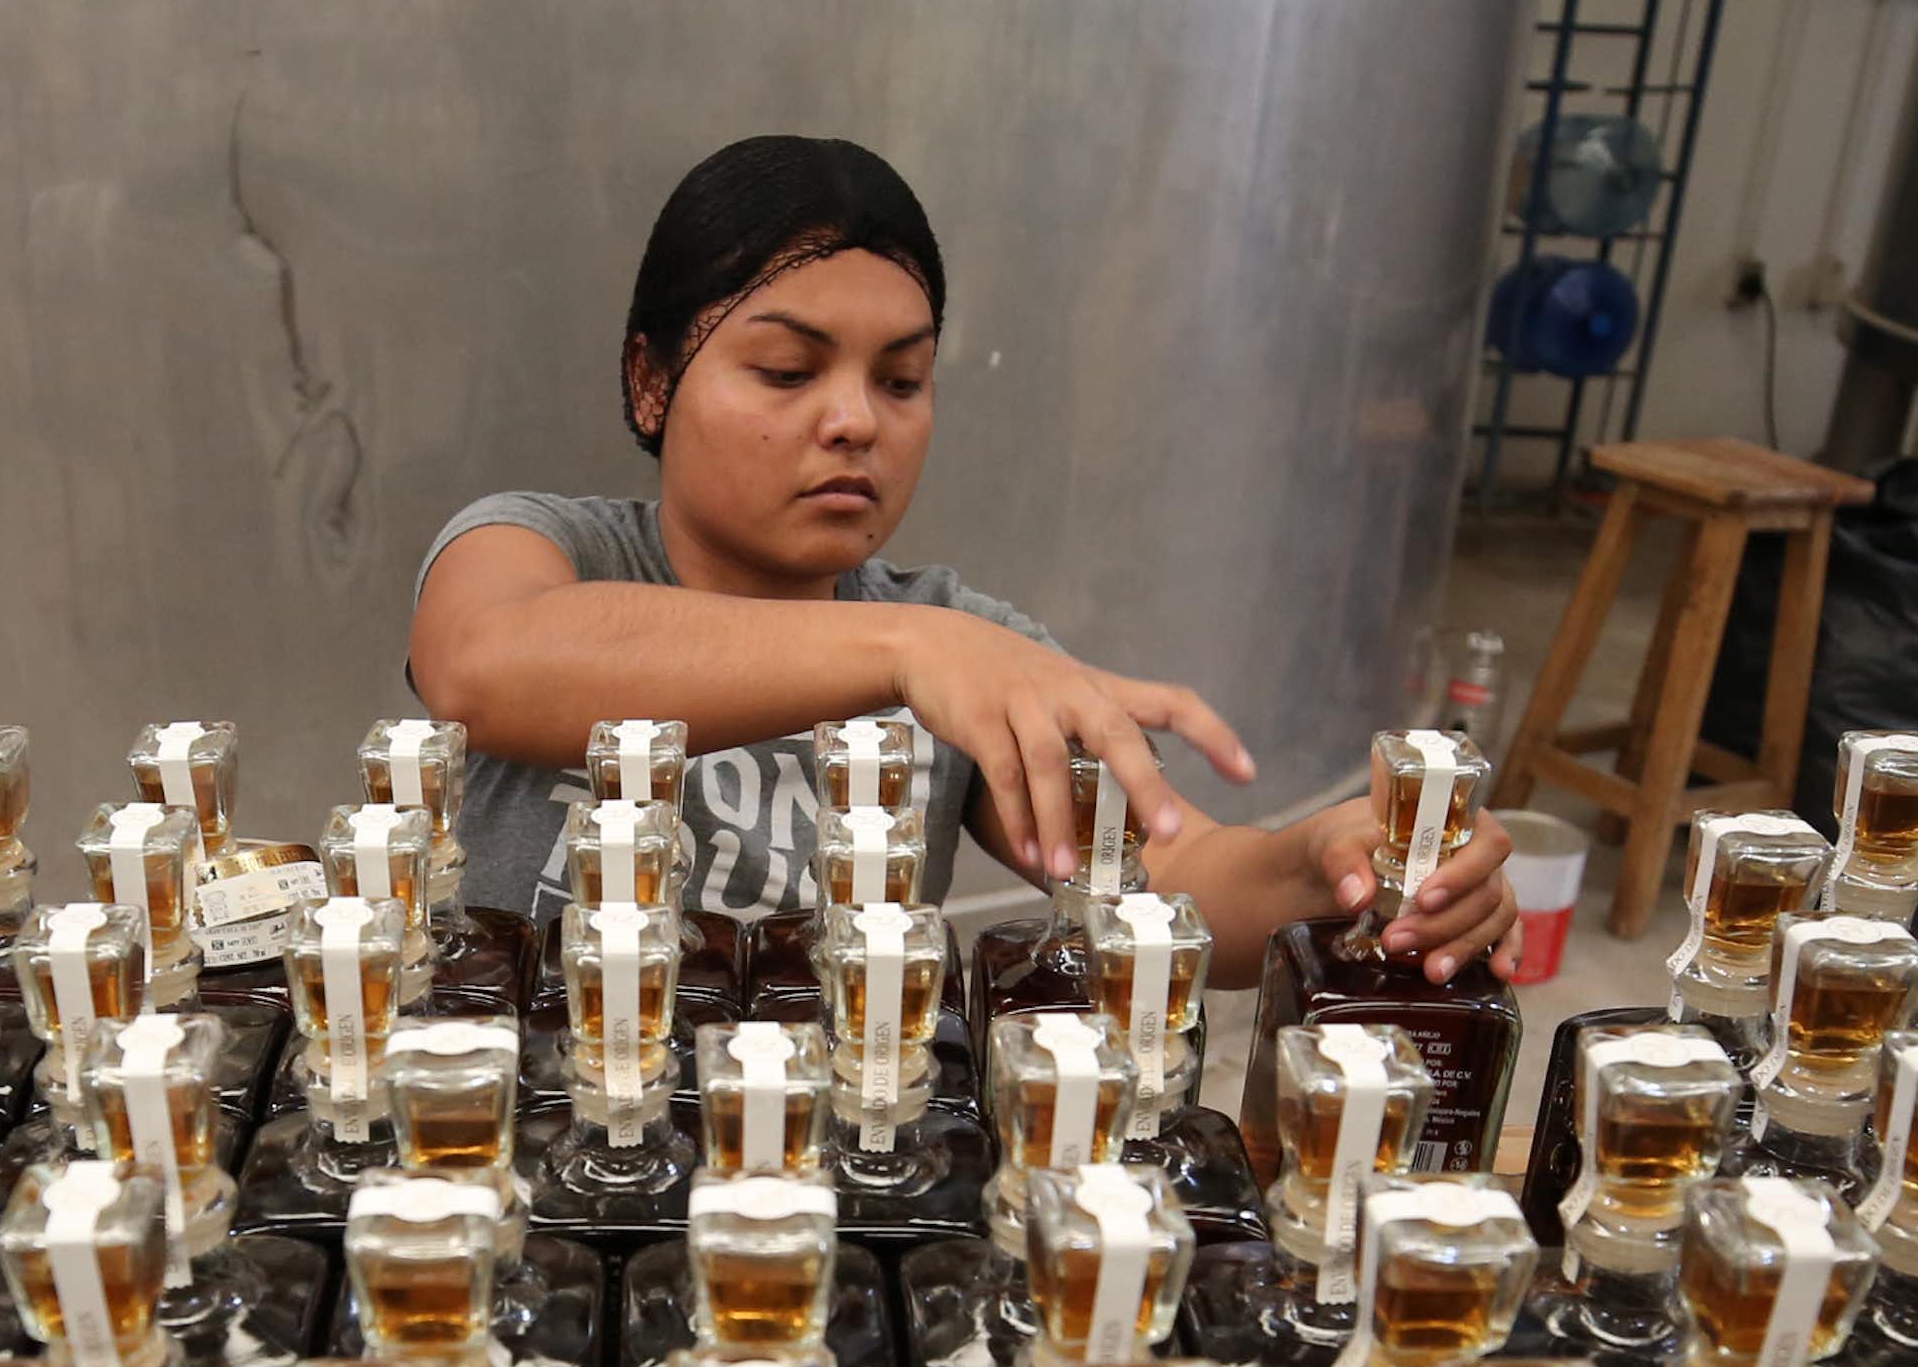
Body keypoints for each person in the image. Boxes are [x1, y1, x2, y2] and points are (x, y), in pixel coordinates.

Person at [407, 134, 1519, 985]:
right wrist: (904, 649)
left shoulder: (971, 653)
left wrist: (1328, 864)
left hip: (824, 1176)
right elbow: (484, 665)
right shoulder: (541, 546)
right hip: (532, 1158)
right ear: (651, 382)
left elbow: (1171, 884)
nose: (855, 422)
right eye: (788, 371)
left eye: (900, 381)